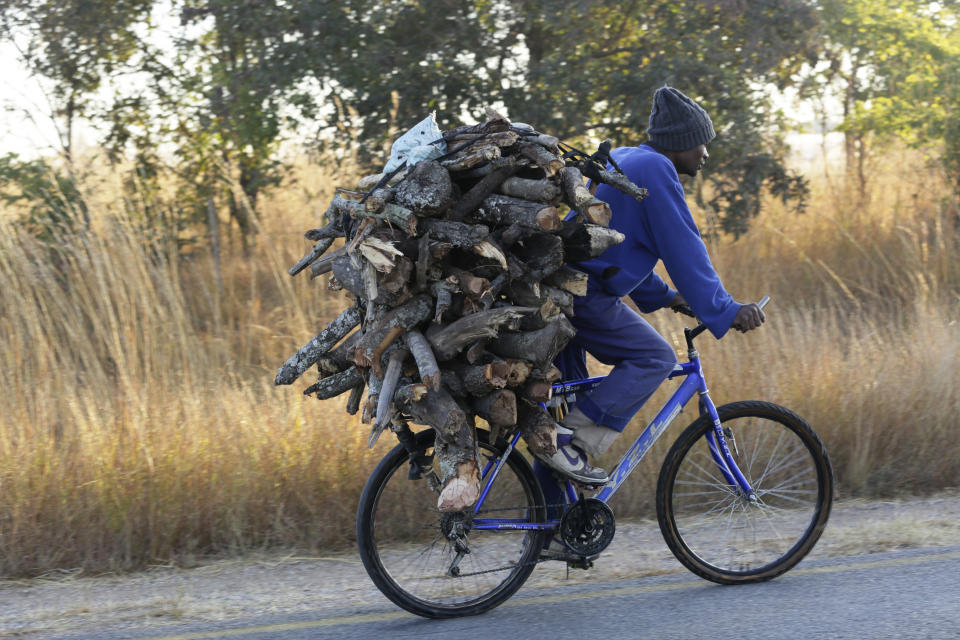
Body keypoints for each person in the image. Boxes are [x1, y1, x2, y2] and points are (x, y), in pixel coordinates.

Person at [535, 86, 766, 484]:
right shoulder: (655, 170)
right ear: (679, 143)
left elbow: (622, 245)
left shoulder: (628, 157)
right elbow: (683, 246)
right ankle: (573, 446)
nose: (705, 155)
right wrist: (725, 309)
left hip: (561, 288)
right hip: (584, 294)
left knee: (564, 407)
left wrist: (669, 298)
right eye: (701, 144)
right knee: (655, 358)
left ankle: (555, 529)